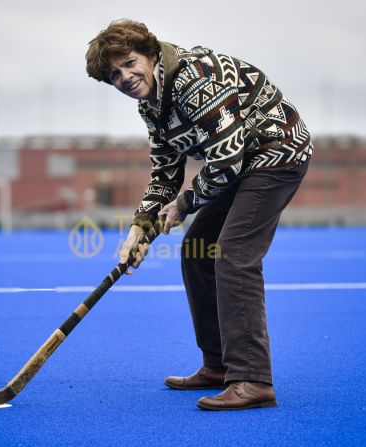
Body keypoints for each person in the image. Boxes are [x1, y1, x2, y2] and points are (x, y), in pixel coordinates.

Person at [86, 19, 312, 411]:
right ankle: (220, 365)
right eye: (114, 74)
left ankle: (252, 379)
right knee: (197, 251)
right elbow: (165, 173)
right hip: (240, 166)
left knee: (233, 253)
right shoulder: (151, 105)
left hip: (277, 154)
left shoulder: (193, 79)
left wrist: (185, 203)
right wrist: (140, 228)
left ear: (150, 53)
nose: (125, 76)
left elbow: (227, 156)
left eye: (129, 62)